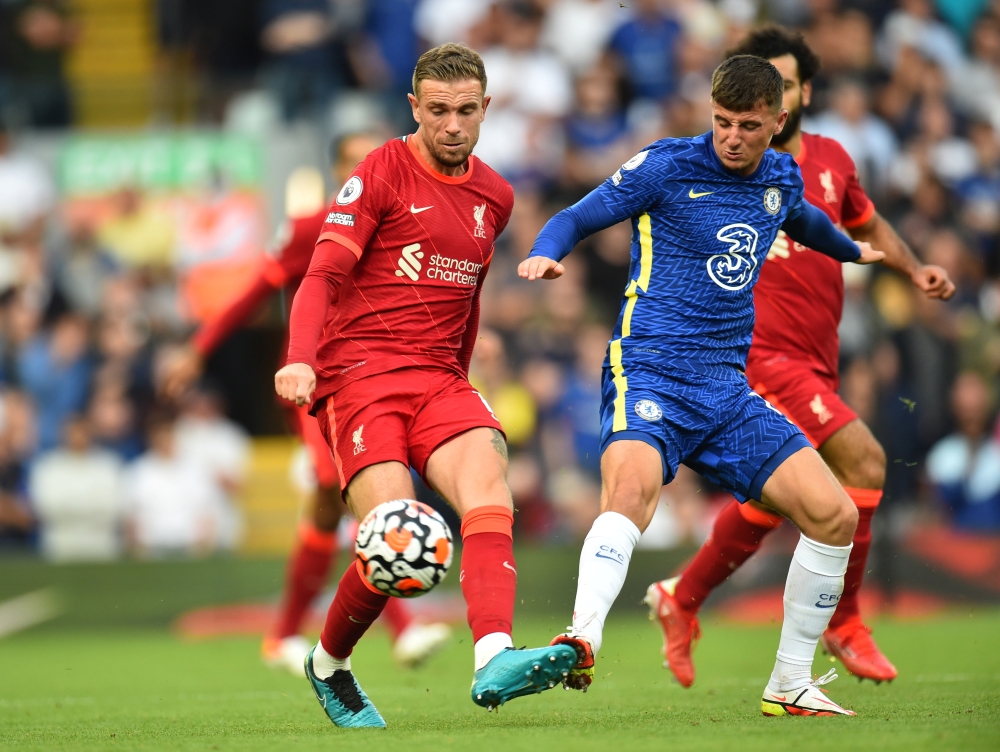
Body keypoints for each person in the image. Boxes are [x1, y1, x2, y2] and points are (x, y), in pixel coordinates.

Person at [519, 55, 885, 717]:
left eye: (749, 125)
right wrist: (548, 250)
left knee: (836, 515)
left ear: (778, 121)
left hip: (726, 386)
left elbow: (799, 219)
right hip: (651, 366)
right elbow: (577, 215)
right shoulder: (665, 166)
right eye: (722, 122)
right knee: (630, 489)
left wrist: (851, 250)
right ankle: (580, 638)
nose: (733, 137)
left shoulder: (778, 173)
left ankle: (790, 683)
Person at [274, 43, 577, 729]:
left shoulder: (495, 196)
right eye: (437, 110)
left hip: (439, 377)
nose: (451, 125)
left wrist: (468, 374)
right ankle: (329, 662)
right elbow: (321, 274)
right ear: (414, 107)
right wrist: (300, 359)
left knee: (488, 488)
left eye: (466, 111)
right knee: (397, 542)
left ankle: (494, 654)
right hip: (360, 377)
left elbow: (466, 296)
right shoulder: (380, 169)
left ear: (485, 109)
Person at [644, 26, 956, 690]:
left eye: (783, 84)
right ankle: (845, 622)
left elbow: (866, 225)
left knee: (782, 499)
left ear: (801, 94)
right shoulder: (723, 169)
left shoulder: (832, 161)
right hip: (756, 354)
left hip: (818, 356)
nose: (772, 97)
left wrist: (914, 267)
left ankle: (683, 596)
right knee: (864, 459)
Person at [161, 133, 451, 675]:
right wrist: (197, 351)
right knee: (343, 486)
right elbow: (253, 293)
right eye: (354, 160)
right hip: (319, 383)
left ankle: (281, 635)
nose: (367, 168)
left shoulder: (407, 222)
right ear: (341, 170)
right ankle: (403, 629)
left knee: (326, 505)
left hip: (378, 380)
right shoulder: (310, 228)